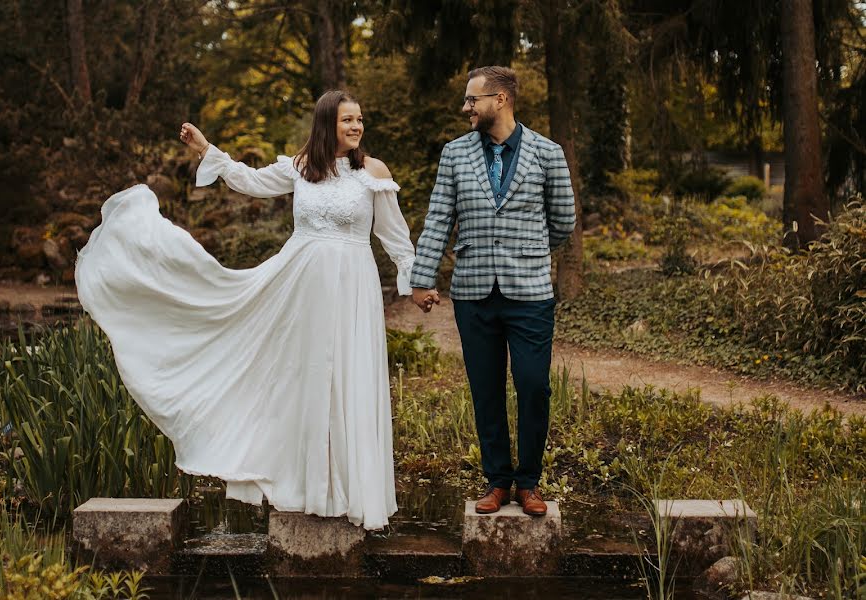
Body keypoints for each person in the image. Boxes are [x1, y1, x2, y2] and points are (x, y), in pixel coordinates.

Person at [75, 91, 415, 530]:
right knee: (306, 377)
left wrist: (415, 279)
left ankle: (350, 490)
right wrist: (207, 151)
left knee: (349, 375)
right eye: (347, 119)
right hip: (300, 286)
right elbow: (249, 180)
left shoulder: (372, 172)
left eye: (360, 119)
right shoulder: (301, 166)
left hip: (354, 286)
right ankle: (309, 486)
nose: (356, 127)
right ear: (326, 123)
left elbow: (394, 233)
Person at [410, 66, 576, 516]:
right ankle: (497, 481)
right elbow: (439, 217)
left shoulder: (547, 152)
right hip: (474, 292)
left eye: (472, 100)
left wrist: (529, 251)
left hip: (530, 293)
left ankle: (529, 483)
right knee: (485, 389)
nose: (466, 107)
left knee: (533, 385)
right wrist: (422, 277)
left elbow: (563, 220)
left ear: (500, 100)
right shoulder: (455, 154)